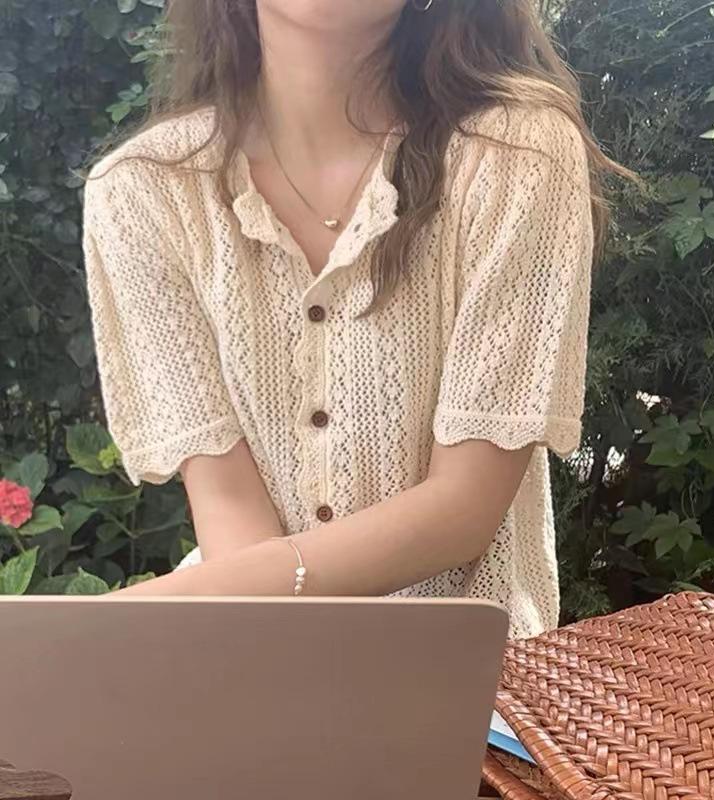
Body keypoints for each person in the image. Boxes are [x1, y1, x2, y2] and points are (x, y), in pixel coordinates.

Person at [82, 0, 621, 638]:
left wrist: (135, 614)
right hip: (252, 641)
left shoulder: (516, 156)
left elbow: (463, 512)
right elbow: (225, 499)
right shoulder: (141, 193)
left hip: (465, 666)